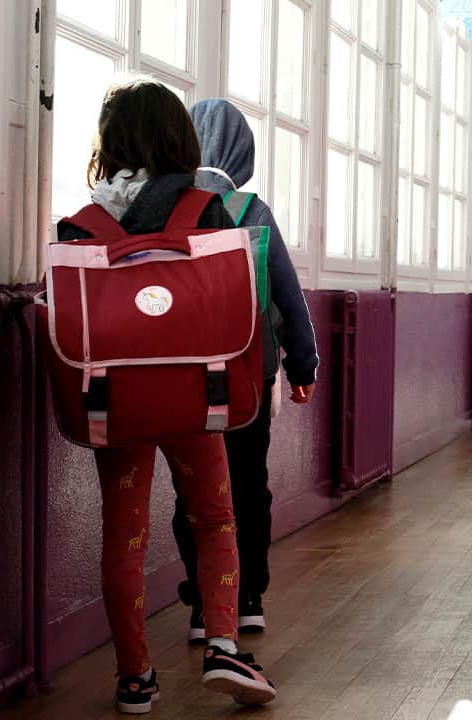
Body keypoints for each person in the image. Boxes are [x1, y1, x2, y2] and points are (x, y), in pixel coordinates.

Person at [56, 77, 277, 713]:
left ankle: (135, 679)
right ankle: (224, 645)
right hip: (194, 393)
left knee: (123, 532)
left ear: (111, 141)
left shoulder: (81, 224)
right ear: (180, 138)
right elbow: (240, 304)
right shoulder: (206, 212)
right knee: (213, 517)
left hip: (113, 401)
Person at [171, 97, 319, 642]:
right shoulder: (251, 209)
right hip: (246, 375)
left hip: (180, 377)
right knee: (247, 485)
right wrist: (302, 365)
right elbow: (288, 294)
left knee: (193, 491)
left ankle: (200, 604)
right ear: (242, 151)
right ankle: (248, 596)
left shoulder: (167, 206)